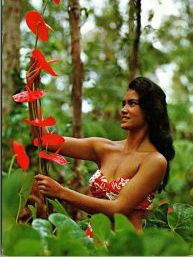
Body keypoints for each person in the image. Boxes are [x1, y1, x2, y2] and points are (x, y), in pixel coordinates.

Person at [27, 67, 175, 236]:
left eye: (132, 103)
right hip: (93, 241)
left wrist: (61, 192)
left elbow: (118, 208)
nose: (123, 110)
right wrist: (32, 94)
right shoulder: (104, 148)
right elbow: (44, 141)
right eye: (123, 103)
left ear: (150, 111)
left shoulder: (155, 161)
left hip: (125, 246)